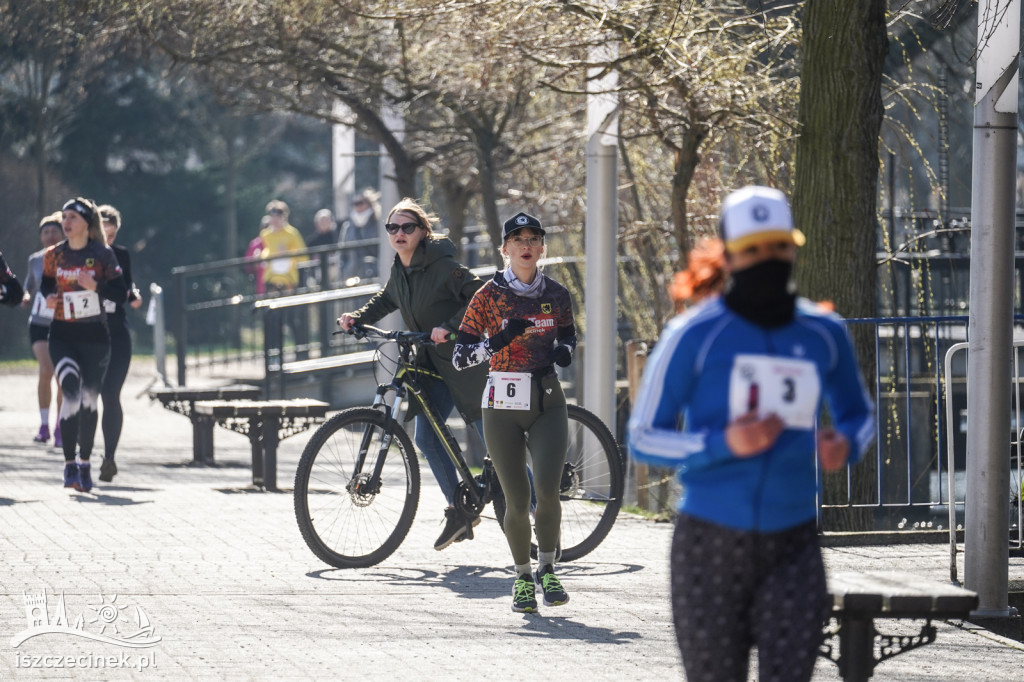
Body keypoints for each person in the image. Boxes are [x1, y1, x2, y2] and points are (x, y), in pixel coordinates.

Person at [627, 185, 875, 682]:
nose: (769, 258)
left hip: (794, 542)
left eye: (780, 247)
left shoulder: (823, 332)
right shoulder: (694, 334)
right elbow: (643, 436)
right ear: (731, 256)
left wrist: (844, 443)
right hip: (709, 543)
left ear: (793, 248)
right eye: (754, 249)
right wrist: (722, 445)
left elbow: (859, 414)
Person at [337, 198, 490, 550]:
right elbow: (386, 299)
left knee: (495, 442)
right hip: (429, 363)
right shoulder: (400, 270)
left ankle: (535, 513)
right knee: (426, 439)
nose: (399, 233)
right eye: (393, 228)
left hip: (461, 362)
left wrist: (451, 327)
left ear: (422, 232)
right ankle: (460, 511)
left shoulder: (443, 265)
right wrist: (357, 318)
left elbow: (480, 294)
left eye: (407, 227)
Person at [452, 211, 577, 614]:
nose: (526, 245)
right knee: (517, 500)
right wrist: (498, 341)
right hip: (502, 404)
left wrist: (566, 350)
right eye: (517, 239)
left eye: (533, 239)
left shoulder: (557, 294)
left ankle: (549, 569)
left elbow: (570, 332)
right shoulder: (487, 296)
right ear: (504, 249)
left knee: (548, 491)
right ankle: (522, 577)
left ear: (542, 248)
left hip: (546, 400)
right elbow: (459, 357)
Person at [41, 197, 127, 493]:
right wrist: (49, 298)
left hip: (95, 338)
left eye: (72, 218)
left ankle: (85, 462)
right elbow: (45, 284)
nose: (66, 223)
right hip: (63, 335)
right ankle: (68, 465)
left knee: (90, 401)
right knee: (71, 393)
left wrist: (96, 287)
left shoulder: (102, 254)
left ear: (86, 223)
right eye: (63, 217)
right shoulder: (54, 254)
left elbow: (120, 293)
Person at [97, 204, 143, 483]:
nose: (107, 240)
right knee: (87, 397)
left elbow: (126, 285)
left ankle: (109, 458)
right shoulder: (79, 254)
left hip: (116, 331)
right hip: (85, 333)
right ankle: (79, 458)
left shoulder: (121, 254)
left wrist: (133, 293)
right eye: (103, 233)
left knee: (110, 395)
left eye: (112, 235)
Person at [21, 212, 65, 446]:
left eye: (54, 231)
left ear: (63, 233)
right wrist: (26, 296)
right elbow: (29, 284)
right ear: (40, 236)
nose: (50, 235)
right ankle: (43, 425)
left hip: (62, 322)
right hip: (39, 322)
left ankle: (60, 426)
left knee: (61, 376)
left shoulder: (71, 256)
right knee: (46, 369)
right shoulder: (35, 260)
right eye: (46, 232)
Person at [260, 200, 308, 355]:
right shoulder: (265, 234)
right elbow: (265, 253)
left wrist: (287, 253)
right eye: (272, 215)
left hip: (288, 281)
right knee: (273, 320)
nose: (275, 219)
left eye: (278, 215)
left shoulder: (291, 233)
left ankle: (300, 353)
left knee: (292, 319)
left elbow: (303, 256)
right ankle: (273, 354)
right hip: (272, 280)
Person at [338, 190, 380, 282]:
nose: (357, 206)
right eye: (354, 203)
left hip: (374, 274)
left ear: (369, 204)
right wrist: (343, 272)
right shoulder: (348, 226)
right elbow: (342, 253)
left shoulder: (378, 223)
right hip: (351, 275)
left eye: (360, 203)